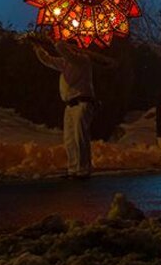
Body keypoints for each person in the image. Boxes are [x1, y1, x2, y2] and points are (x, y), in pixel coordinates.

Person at [32, 38, 113, 179]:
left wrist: (57, 43)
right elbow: (47, 59)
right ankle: (73, 168)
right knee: (69, 138)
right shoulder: (65, 63)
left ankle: (83, 169)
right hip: (69, 105)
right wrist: (38, 48)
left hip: (83, 103)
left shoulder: (83, 60)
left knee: (80, 137)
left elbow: (63, 50)